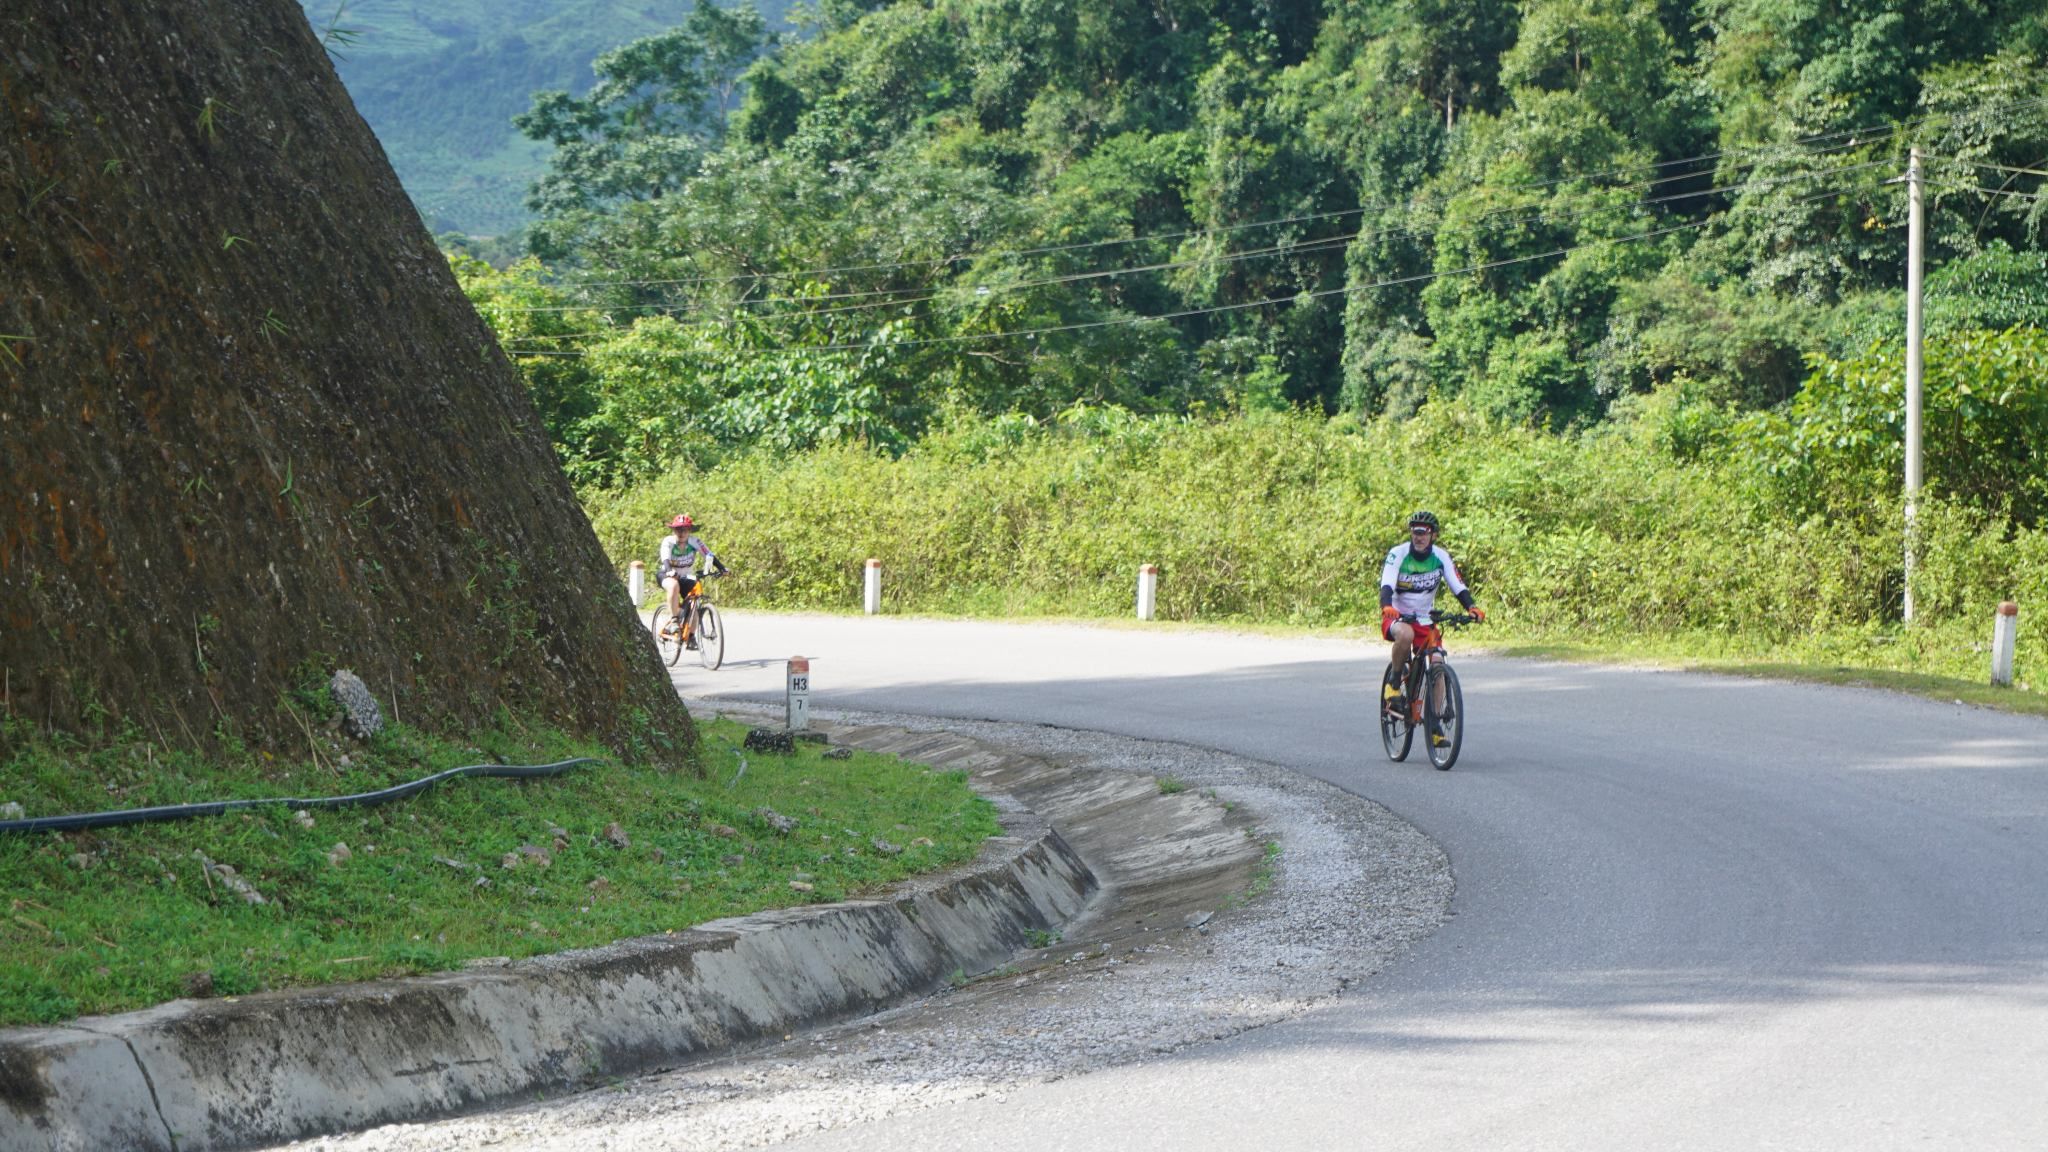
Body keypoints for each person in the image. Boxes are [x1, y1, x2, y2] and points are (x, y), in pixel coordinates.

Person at [1380, 510, 1483, 741]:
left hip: (1426, 620)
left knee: (1437, 662)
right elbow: (1387, 583)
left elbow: (1458, 585)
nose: (1418, 536)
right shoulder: (1398, 554)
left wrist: (1472, 607)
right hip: (1398, 616)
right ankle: (1394, 684)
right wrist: (1387, 606)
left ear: (1433, 535)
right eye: (1414, 531)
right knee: (1404, 636)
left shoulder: (1440, 556)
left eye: (1423, 532)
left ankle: (1435, 725)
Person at [658, 515, 725, 645]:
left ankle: (691, 635)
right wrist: (669, 570)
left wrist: (722, 568)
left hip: (685, 577)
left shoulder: (695, 542)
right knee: (673, 586)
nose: (681, 533)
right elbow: (665, 558)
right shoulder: (668, 541)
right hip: (666, 573)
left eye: (685, 530)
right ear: (673, 531)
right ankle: (674, 620)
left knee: (695, 600)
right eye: (678, 529)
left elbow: (709, 555)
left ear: (690, 531)